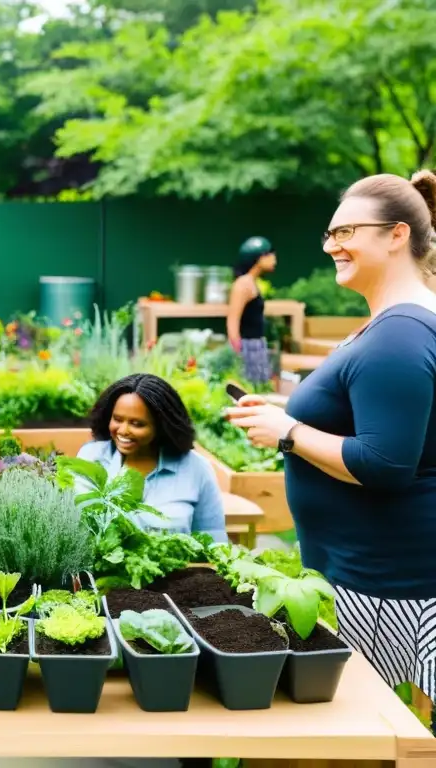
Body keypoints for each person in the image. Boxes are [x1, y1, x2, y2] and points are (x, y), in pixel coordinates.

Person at [226, 169, 436, 715]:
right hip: (374, 579)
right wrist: (277, 413)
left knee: (342, 739)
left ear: (396, 235)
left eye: (346, 233)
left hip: (385, 589)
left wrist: (289, 433)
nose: (332, 246)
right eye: (330, 233)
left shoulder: (400, 332)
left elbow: (386, 464)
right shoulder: (390, 325)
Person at [75, 373, 227, 542]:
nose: (123, 430)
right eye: (117, 419)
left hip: (178, 568)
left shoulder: (197, 469)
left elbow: (213, 539)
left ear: (162, 426)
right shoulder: (90, 457)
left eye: (137, 424)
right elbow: (75, 524)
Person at [226, 235, 277, 385]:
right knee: (250, 387)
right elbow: (233, 320)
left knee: (260, 387)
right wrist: (238, 353)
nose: (274, 259)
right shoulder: (243, 285)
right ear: (258, 258)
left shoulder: (252, 282)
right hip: (248, 347)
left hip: (257, 345)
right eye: (269, 254)